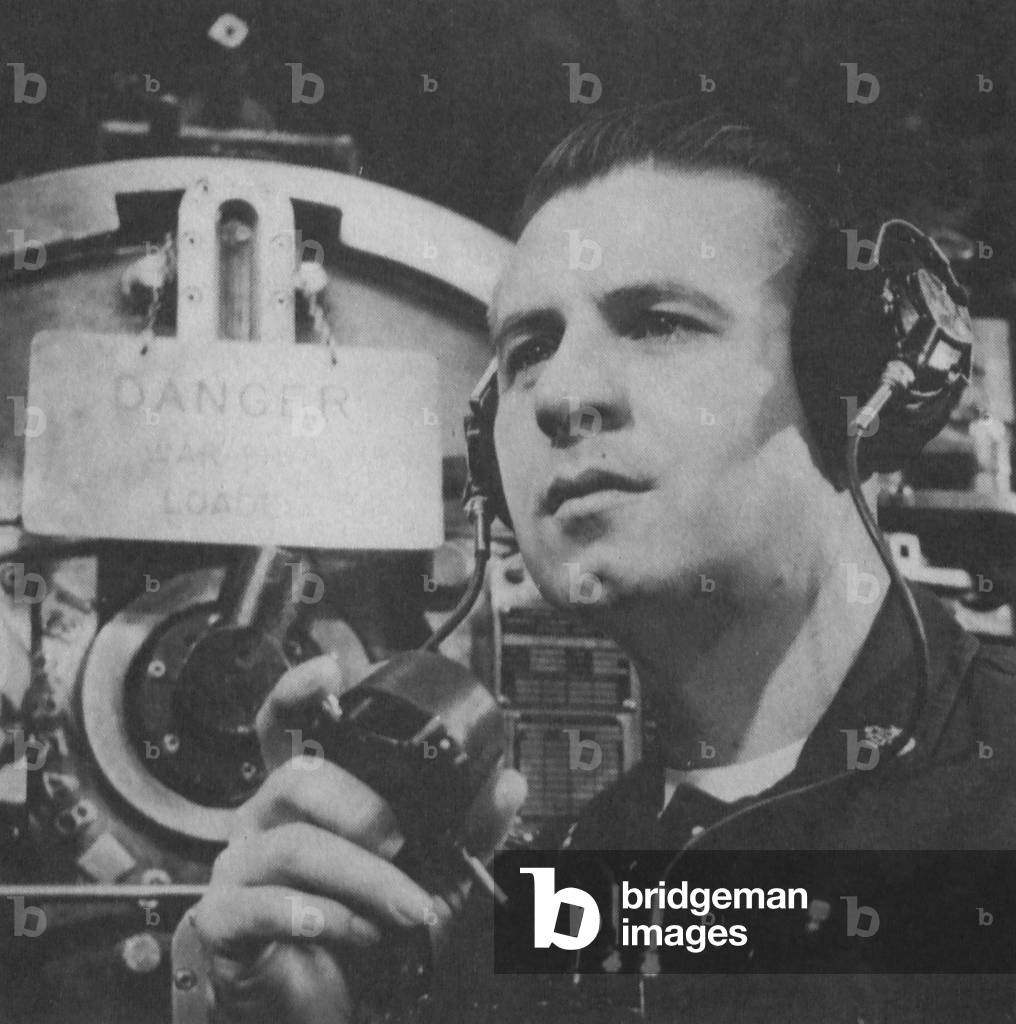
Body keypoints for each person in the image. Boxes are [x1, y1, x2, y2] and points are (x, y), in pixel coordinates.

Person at [191, 101, 1016, 1023]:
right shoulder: (557, 908)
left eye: (659, 322)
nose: (564, 395)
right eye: (529, 350)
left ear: (845, 387)